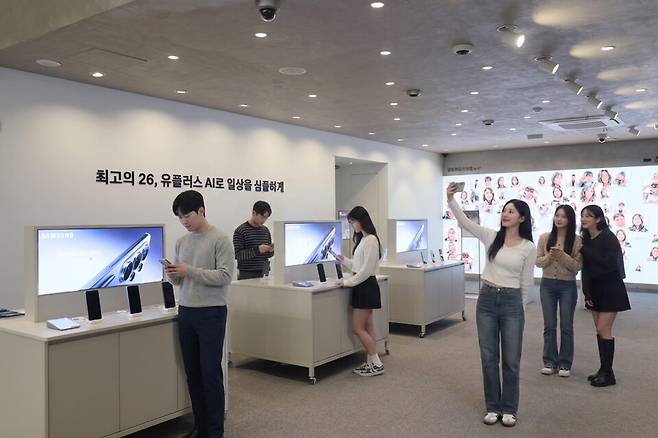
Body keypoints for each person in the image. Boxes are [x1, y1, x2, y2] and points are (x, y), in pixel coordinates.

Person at [446, 183, 536, 428]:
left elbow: (525, 283)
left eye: (511, 211)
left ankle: (509, 408)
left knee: (511, 360)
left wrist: (521, 310)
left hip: (512, 302)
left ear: (522, 218)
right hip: (486, 300)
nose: (505, 214)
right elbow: (465, 222)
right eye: (504, 210)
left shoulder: (528, 247)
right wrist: (451, 199)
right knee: (488, 357)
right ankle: (493, 407)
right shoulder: (492, 237)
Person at [166, 190, 235, 438]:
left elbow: (225, 276)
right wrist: (173, 274)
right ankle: (200, 427)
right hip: (186, 311)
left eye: (187, 216)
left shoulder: (220, 239)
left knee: (210, 374)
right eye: (179, 217)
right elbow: (180, 281)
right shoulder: (181, 242)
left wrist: (189, 271)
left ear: (201, 211)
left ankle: (215, 431)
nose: (184, 221)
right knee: (193, 374)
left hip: (211, 313)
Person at [579, 205, 631, 387]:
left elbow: (609, 264)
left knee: (603, 329)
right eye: (582, 216)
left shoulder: (608, 237)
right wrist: (587, 292)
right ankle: (604, 370)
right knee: (600, 330)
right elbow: (586, 269)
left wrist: (585, 250)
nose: (584, 219)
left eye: (588, 216)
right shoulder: (587, 239)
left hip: (610, 288)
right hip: (595, 290)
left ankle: (608, 374)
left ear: (598, 219)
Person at [335, 206, 384, 377]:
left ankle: (376, 363)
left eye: (353, 221)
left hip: (365, 287)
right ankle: (371, 362)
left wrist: (347, 282)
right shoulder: (363, 239)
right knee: (368, 327)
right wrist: (344, 260)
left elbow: (365, 271)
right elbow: (358, 266)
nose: (352, 225)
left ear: (361, 220)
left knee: (358, 328)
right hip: (363, 285)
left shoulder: (370, 240)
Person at [535, 205, 582, 378]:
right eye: (557, 215)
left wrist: (562, 256)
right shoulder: (544, 237)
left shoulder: (577, 240)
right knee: (549, 325)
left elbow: (577, 267)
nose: (559, 219)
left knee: (566, 325)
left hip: (567, 286)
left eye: (563, 216)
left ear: (570, 220)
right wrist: (550, 257)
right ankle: (549, 361)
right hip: (547, 284)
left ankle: (565, 363)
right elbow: (538, 262)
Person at [233, 201, 274, 280]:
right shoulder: (241, 231)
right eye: (262, 217)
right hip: (247, 273)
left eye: (266, 218)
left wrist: (271, 251)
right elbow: (238, 255)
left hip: (265, 272)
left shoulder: (265, 230)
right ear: (254, 213)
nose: (264, 220)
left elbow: (267, 255)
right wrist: (258, 250)